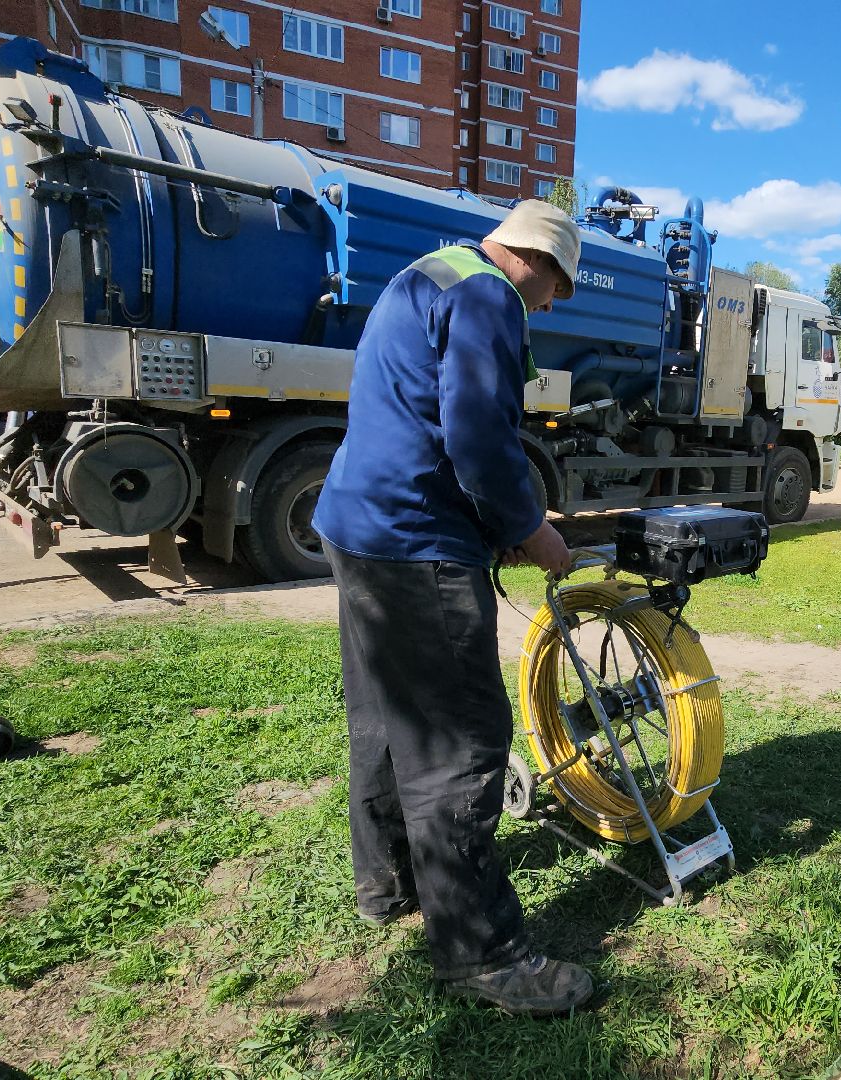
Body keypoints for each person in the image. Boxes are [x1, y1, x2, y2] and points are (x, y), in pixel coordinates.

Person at [311, 200, 593, 1016]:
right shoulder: (488, 296)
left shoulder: (423, 274)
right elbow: (476, 430)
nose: (552, 306)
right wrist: (526, 526)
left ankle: (389, 886)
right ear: (536, 262)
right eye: (557, 289)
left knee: (383, 717)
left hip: (356, 526)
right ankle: (484, 958)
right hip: (414, 541)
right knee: (458, 745)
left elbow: (421, 415)